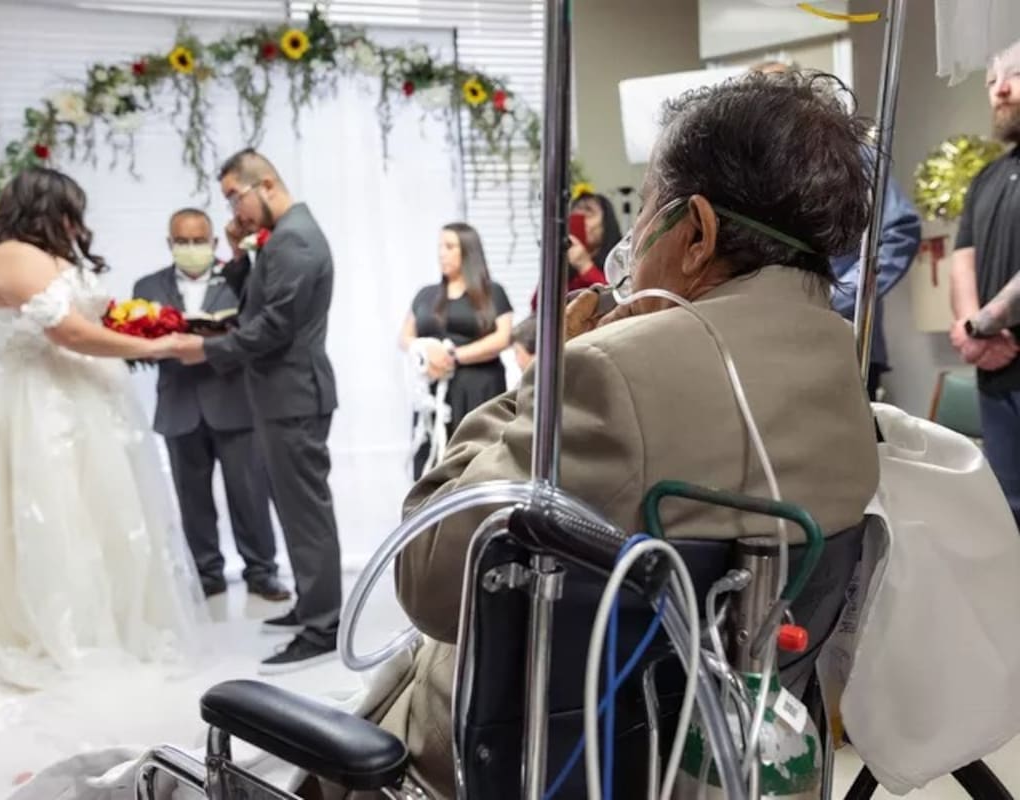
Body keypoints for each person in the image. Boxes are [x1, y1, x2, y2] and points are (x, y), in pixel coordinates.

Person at [344, 70, 881, 799]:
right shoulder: (846, 371)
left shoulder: (608, 371)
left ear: (696, 233)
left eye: (647, 208)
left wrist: (543, 379)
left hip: (520, 767)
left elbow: (427, 575)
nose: (631, 243)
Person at [0, 167, 210, 719]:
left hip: (72, 405)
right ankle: (62, 643)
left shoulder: (34, 256)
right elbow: (69, 333)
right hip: (40, 411)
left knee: (95, 524)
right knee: (57, 523)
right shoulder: (14, 256)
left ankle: (104, 634)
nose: (78, 225)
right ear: (47, 210)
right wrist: (163, 346)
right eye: (72, 212)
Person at [174, 149, 343, 673]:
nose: (233, 210)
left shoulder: (295, 239)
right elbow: (257, 304)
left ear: (265, 184)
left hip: (294, 397)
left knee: (306, 513)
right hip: (280, 396)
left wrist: (205, 350)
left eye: (234, 197)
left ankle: (325, 627)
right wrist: (240, 255)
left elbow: (273, 326)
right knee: (292, 509)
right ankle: (311, 606)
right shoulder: (281, 236)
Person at [133, 208, 290, 602]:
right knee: (192, 499)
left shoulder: (241, 280)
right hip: (179, 404)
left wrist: (213, 342)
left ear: (214, 242)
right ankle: (207, 573)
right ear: (170, 244)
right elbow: (138, 344)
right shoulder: (147, 286)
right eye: (182, 242)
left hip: (234, 401)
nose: (191, 248)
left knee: (249, 494)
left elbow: (258, 334)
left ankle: (262, 572)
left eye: (199, 241)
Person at [753, 60, 921, 398]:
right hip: (773, 340)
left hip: (844, 335)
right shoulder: (752, 169)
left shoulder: (852, 155)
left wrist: (835, 296)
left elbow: (899, 231)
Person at [950, 38, 1020, 530]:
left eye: (1015, 75)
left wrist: (981, 326)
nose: (1000, 90)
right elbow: (963, 259)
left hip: (999, 346)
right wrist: (969, 332)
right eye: (992, 80)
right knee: (1007, 514)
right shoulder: (987, 177)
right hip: (996, 376)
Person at [399, 223, 515, 480]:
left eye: (449, 246)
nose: (442, 253)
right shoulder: (426, 295)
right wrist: (426, 350)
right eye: (440, 246)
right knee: (432, 466)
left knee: (478, 463)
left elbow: (503, 336)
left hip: (479, 391)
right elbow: (405, 336)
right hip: (435, 396)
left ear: (468, 251)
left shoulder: (492, 292)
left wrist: (453, 357)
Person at [528, 191, 623, 310]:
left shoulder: (619, 261)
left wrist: (585, 266)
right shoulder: (563, 264)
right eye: (575, 213)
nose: (580, 216)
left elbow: (615, 302)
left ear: (606, 224)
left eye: (588, 211)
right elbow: (537, 306)